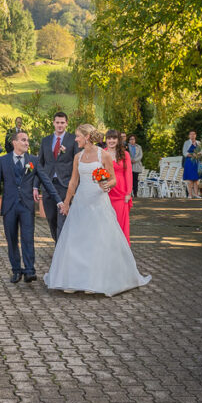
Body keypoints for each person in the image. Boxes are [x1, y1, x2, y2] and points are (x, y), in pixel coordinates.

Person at [43, 124, 150, 296]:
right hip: (81, 201)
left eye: (78, 136)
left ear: (86, 137)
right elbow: (73, 182)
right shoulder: (78, 156)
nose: (75, 139)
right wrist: (66, 202)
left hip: (98, 201)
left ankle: (93, 280)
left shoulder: (104, 155)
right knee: (77, 239)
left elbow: (113, 179)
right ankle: (74, 279)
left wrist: (107, 184)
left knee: (96, 239)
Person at [0, 131, 64, 283]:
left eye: (27, 140)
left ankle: (30, 270)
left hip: (26, 206)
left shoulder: (33, 160)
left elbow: (46, 181)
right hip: (9, 206)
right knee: (11, 239)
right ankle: (16, 270)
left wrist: (58, 201)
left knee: (28, 238)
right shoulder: (3, 161)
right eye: (23, 140)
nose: (27, 143)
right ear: (14, 143)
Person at [37, 112, 78, 241]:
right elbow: (40, 164)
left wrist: (76, 186)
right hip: (48, 184)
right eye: (57, 122)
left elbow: (77, 163)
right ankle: (59, 243)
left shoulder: (73, 140)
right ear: (53, 123)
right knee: (51, 217)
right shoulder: (46, 140)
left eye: (62, 122)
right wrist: (35, 185)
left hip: (65, 184)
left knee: (62, 218)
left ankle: (60, 251)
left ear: (66, 123)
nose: (60, 125)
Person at [104, 129, 133, 243]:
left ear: (118, 140)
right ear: (106, 140)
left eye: (114, 138)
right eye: (109, 138)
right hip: (107, 191)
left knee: (121, 222)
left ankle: (122, 249)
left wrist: (128, 192)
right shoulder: (102, 153)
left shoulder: (125, 154)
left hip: (121, 192)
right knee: (107, 222)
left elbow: (128, 174)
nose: (111, 141)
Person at [181, 131, 202, 199]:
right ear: (189, 136)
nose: (192, 135)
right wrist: (192, 155)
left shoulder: (198, 143)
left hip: (196, 162)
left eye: (194, 134)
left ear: (195, 135)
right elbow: (184, 153)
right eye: (191, 134)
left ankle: (196, 194)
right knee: (190, 179)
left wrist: (198, 155)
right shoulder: (186, 143)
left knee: (196, 179)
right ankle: (190, 194)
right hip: (189, 161)